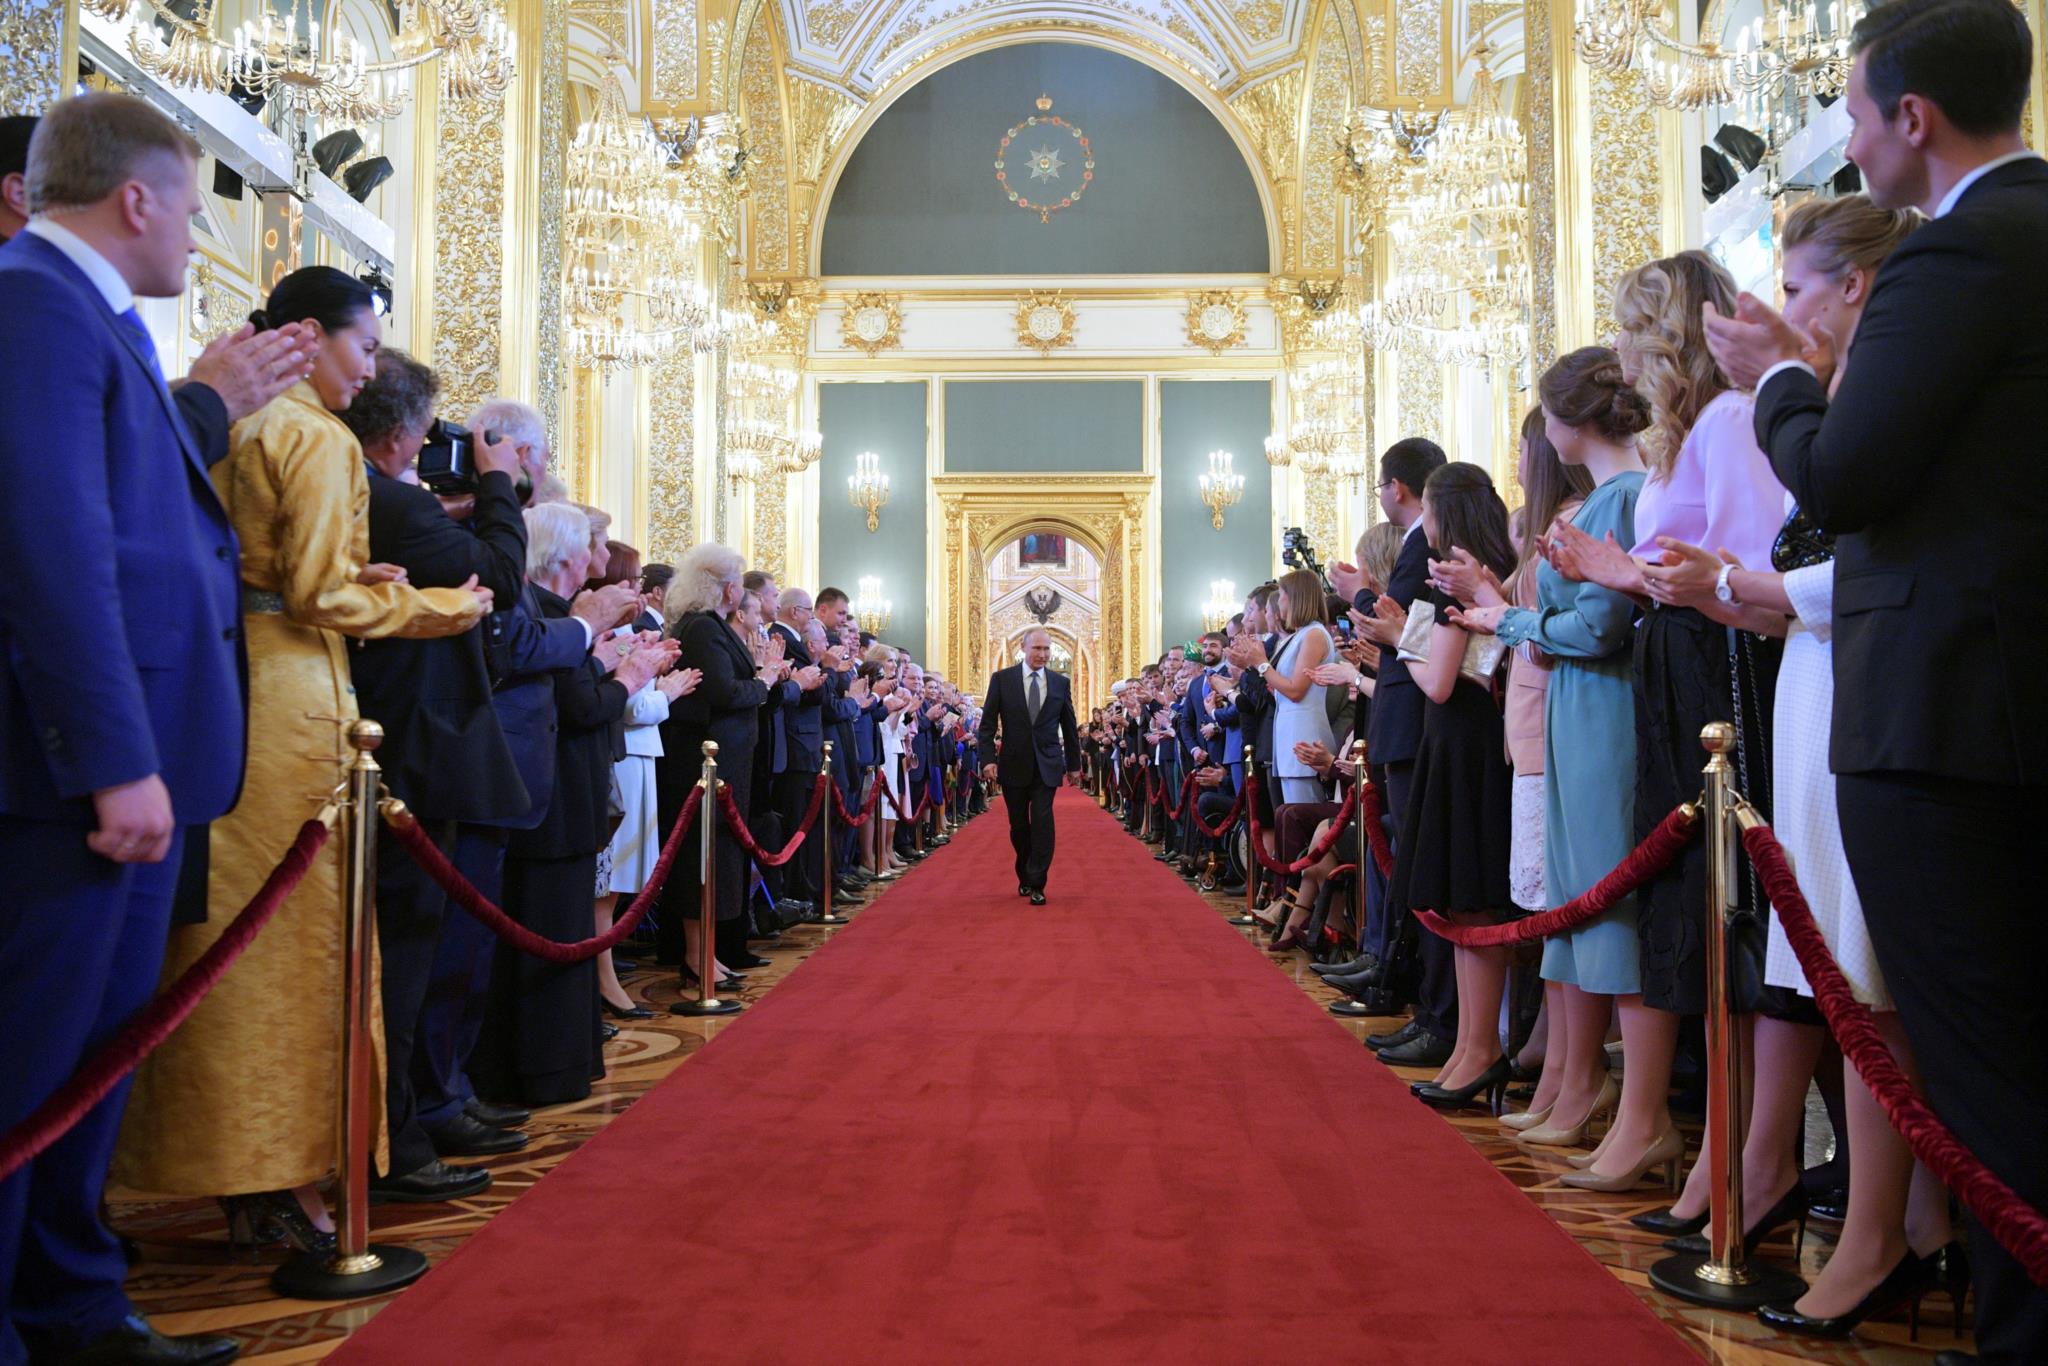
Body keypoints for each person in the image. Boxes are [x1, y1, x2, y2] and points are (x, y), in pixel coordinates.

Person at [1703, 2, 2047, 1354]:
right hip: (2001, 694)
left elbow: (1850, 475)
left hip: (1955, 715)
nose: (1846, 140)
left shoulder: (1961, 256)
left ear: (1913, 119)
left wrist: (1781, 382)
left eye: (1852, 114)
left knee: (1986, 1073)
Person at [115, 266, 493, 1244]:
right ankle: (285, 1179)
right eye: (364, 347)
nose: (370, 372)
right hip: (288, 701)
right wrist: (440, 607)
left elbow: (265, 561)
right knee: (294, 946)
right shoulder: (314, 435)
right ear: (314, 336)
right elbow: (325, 598)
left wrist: (343, 575)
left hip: (218, 684)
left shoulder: (233, 417)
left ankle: (226, 1166)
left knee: (219, 943)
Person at [0, 92, 276, 1366]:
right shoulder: (33, 309)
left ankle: (72, 1308)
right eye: (196, 200)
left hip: (133, 772)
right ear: (137, 200)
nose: (199, 230)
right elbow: (53, 553)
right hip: (77, 781)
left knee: (88, 1072)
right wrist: (117, 760)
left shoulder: (86, 317)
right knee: (29, 1076)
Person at [342, 350, 538, 1170]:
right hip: (413, 745)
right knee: (407, 958)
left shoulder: (387, 499)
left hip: (408, 741)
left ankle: (422, 1111)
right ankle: (397, 1137)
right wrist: (494, 487)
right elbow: (496, 571)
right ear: (405, 429)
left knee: (426, 956)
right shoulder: (381, 496)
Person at [1454, 350, 1648, 1157]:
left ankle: (1604, 1093)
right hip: (1573, 707)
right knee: (1569, 904)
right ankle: (1572, 1081)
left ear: (1569, 423)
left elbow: (1598, 629)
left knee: (1602, 899)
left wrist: (1513, 622)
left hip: (1602, 709)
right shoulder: (1604, 500)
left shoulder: (1621, 500)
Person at [656, 544, 775, 992]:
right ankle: (696, 958)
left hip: (722, 762)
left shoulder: (708, 626)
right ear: (726, 587)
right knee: (700, 862)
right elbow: (723, 692)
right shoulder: (704, 629)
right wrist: (761, 683)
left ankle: (708, 955)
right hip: (703, 763)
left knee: (717, 859)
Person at [976, 628, 1081, 905]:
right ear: (1023, 648)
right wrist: (987, 759)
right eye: (1037, 649)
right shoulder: (1002, 679)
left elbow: (1069, 727)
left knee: (1043, 820)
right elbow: (986, 726)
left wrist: (1074, 765)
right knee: (1019, 824)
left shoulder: (1060, 682)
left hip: (1047, 763)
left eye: (1047, 649)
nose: (1043, 654)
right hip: (1013, 762)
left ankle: (1037, 881)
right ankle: (1024, 870)